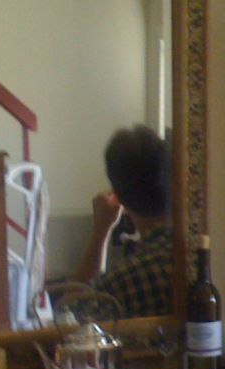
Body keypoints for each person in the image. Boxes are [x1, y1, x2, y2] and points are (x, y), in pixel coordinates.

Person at [72, 124, 172, 317]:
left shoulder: (119, 281)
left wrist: (101, 232)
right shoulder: (205, 260)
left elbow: (72, 318)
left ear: (117, 196)